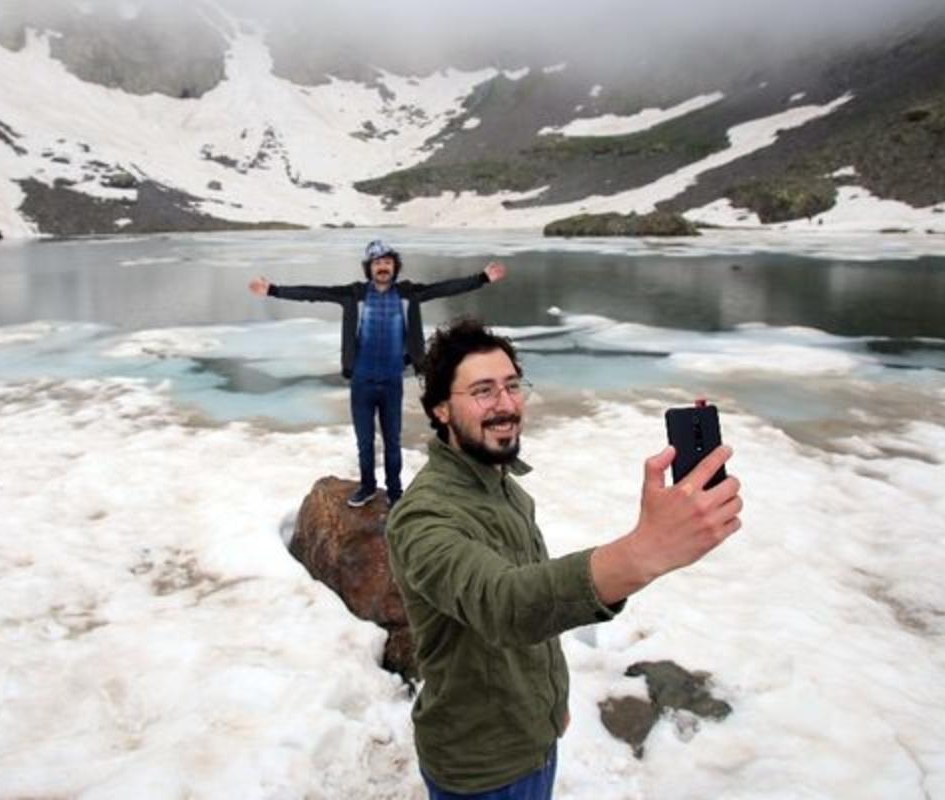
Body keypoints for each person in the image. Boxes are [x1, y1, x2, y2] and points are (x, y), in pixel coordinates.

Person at [386, 317, 743, 799]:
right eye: (484, 391)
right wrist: (644, 551)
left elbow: (537, 608)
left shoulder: (503, 488)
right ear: (442, 410)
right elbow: (506, 604)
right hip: (480, 767)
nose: (507, 404)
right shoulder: (422, 518)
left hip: (534, 737)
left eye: (513, 386)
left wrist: (549, 705)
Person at [249, 241, 507, 508]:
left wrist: (482, 278)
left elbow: (445, 288)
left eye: (387, 262)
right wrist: (273, 290)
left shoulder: (410, 294)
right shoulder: (353, 294)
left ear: (394, 267)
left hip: (392, 379)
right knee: (365, 441)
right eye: (377, 263)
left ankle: (395, 493)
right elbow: (313, 292)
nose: (382, 267)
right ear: (369, 268)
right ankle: (368, 487)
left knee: (393, 441)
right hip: (362, 380)